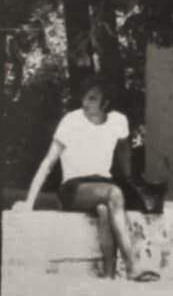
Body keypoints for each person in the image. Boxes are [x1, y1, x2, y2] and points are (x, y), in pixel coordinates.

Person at [15, 76, 156, 281]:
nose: (85, 103)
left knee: (104, 209)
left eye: (92, 98)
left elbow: (124, 152)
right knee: (114, 194)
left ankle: (109, 276)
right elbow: (48, 163)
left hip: (102, 185)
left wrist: (129, 179)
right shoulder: (71, 121)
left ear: (105, 103)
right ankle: (132, 266)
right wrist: (29, 202)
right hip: (73, 188)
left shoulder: (118, 121)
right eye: (85, 97)